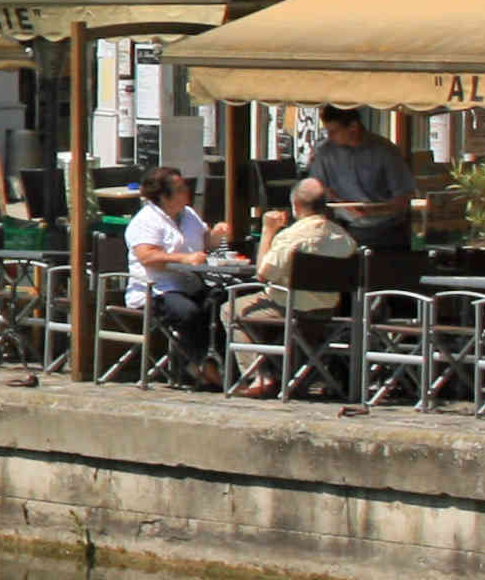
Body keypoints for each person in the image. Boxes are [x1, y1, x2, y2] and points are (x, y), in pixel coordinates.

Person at [231, 176, 360, 396]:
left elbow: (262, 273)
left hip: (290, 308)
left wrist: (268, 231)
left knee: (231, 308)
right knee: (266, 309)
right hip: (327, 311)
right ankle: (290, 372)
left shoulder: (291, 237)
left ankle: (259, 376)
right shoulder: (345, 238)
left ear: (296, 206)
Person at [125, 166, 231, 388]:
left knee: (223, 301)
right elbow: (146, 256)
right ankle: (200, 364)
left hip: (191, 284)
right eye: (181, 188)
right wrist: (183, 258)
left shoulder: (189, 214)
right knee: (188, 312)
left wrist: (217, 235)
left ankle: (225, 364)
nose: (187, 191)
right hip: (157, 289)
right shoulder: (146, 221)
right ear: (164, 196)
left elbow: (205, 244)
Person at [308, 107, 418, 247]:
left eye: (334, 132)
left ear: (353, 127)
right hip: (343, 230)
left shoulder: (385, 151)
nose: (329, 137)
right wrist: (335, 199)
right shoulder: (325, 153)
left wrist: (375, 211)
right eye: (327, 132)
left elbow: (403, 196)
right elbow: (315, 191)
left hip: (388, 231)